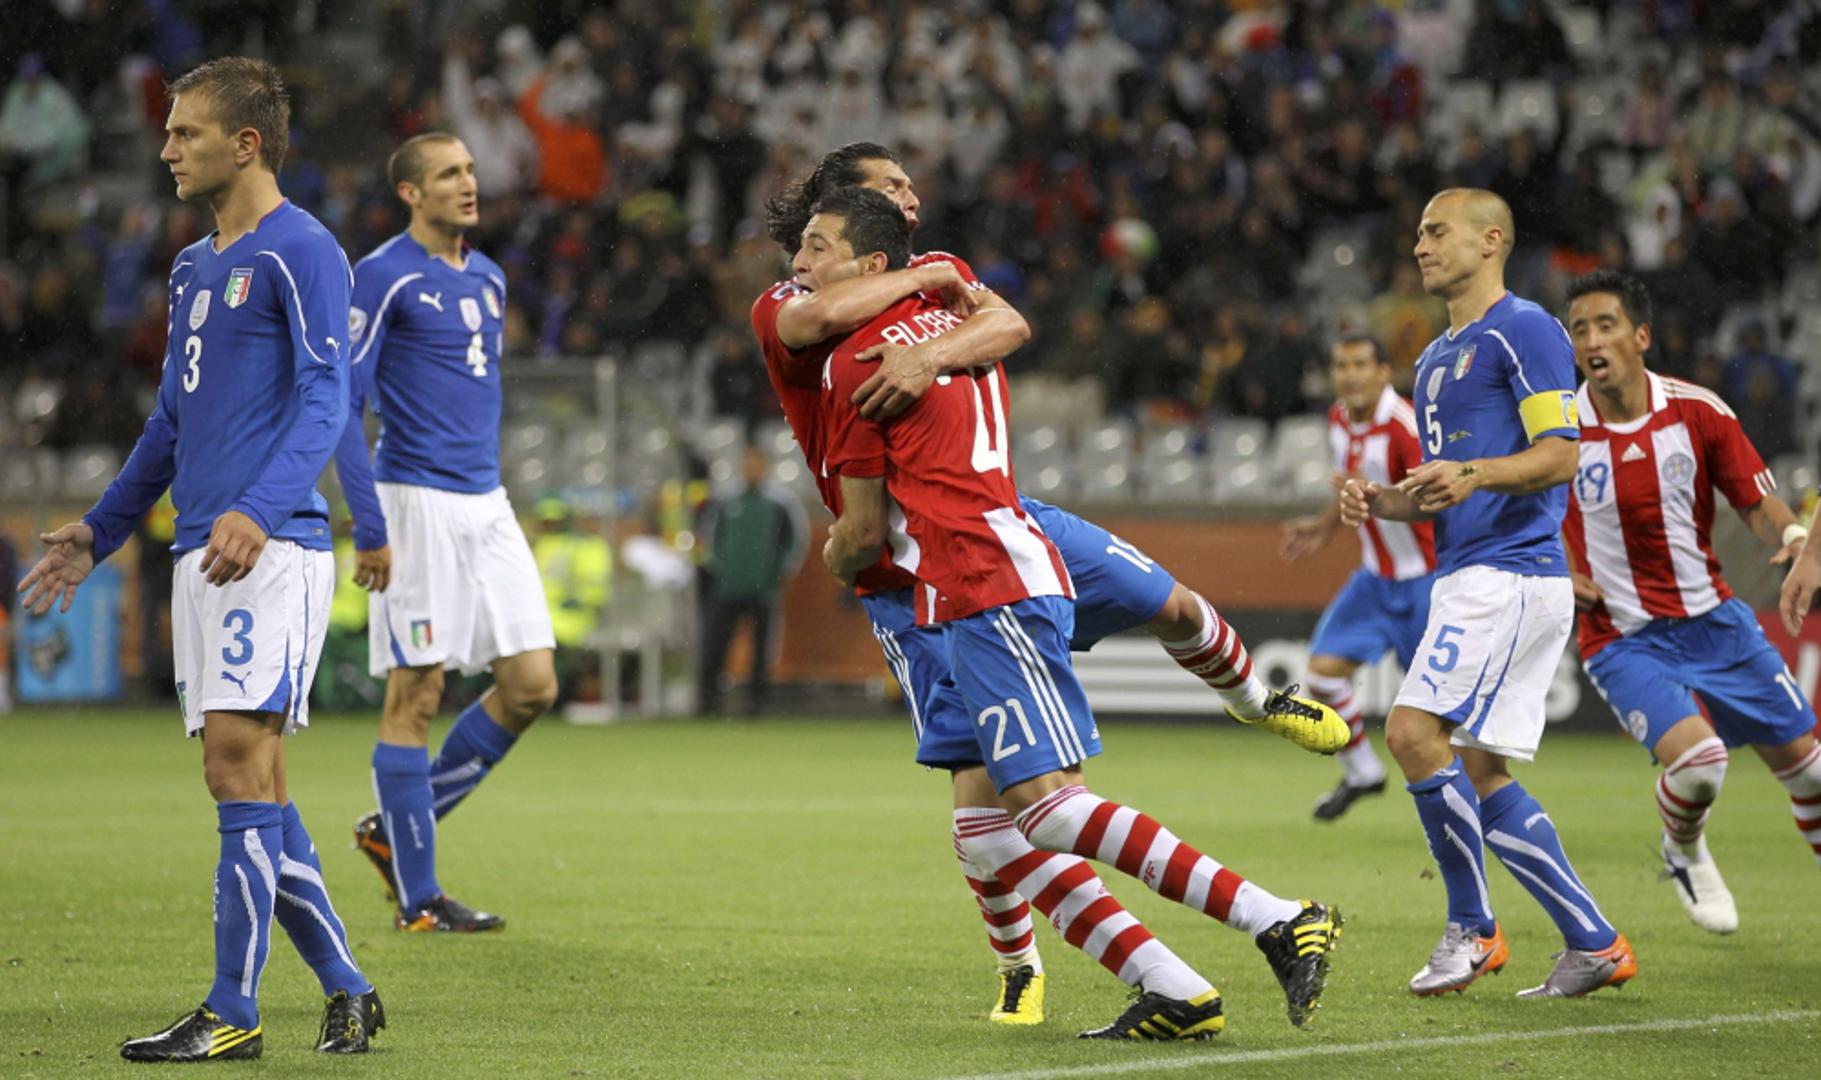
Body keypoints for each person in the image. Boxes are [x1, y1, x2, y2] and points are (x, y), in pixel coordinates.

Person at [756, 144, 1348, 1027]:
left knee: (1124, 683)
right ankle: (1148, 983)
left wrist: (924, 358)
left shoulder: (893, 326)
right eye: (890, 187)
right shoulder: (815, 302)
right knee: (993, 823)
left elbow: (1005, 331)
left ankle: (1265, 800)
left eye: (908, 186)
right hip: (930, 575)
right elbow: (838, 317)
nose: (911, 196)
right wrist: (931, 313)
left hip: (974, 553)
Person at [15, 57, 383, 1061]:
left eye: (185, 132)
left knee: (233, 765)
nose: (167, 148)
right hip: (203, 550)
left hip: (270, 546)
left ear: (245, 143)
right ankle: (348, 986)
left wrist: (260, 509)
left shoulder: (304, 249)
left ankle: (232, 1011)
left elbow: (327, 396)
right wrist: (100, 530)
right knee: (255, 781)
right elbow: (171, 423)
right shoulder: (190, 268)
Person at [1339, 188, 1635, 999]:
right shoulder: (1435, 359)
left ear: (1490, 240)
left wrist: (1471, 472)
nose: (1420, 247)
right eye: (1417, 234)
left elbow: (1560, 453)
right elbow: (1443, 490)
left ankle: (1471, 929)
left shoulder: (1525, 329)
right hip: (1470, 572)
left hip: (1509, 572)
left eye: (1437, 232)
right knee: (1478, 772)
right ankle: (1594, 943)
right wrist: (1383, 500)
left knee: (1410, 733)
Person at [335, 132, 559, 934]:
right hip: (413, 501)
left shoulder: (489, 276)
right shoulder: (381, 276)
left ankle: (395, 829)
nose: (468, 183)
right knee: (417, 693)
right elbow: (342, 404)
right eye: (448, 174)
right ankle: (419, 899)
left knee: (531, 685)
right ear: (410, 192)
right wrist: (369, 522)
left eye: (470, 169)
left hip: (485, 501)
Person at [1561, 270, 1821, 932]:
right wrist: (1556, 573)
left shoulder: (1697, 410)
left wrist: (1795, 539)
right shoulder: (1556, 432)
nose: (1592, 340)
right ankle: (1682, 848)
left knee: (1812, 775)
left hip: (1715, 621)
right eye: (1579, 330)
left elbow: (1755, 500)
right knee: (1702, 765)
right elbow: (1521, 519)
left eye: (1606, 325)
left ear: (1641, 336)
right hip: (1621, 636)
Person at [1281, 335, 1436, 821]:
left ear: (1384, 371)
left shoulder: (1405, 426)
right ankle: (1364, 772)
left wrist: (1374, 493)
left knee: (1439, 717)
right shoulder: (1339, 419)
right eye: (1341, 365)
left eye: (1360, 364)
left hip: (1428, 582)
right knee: (1321, 676)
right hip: (1374, 580)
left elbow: (1433, 499)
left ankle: (1473, 808)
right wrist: (1324, 527)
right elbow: (1350, 488)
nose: (1349, 375)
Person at [695, 447, 807, 715]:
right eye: (748, 463)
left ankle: (757, 703)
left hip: (764, 588)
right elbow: (709, 537)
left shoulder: (781, 502)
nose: (752, 469)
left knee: (762, 648)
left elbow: (795, 540)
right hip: (727, 587)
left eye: (756, 463)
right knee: (715, 644)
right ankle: (708, 702)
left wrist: (780, 572)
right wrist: (720, 568)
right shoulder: (726, 499)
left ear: (764, 466)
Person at [532, 496, 613, 704]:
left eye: (554, 520)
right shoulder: (541, 544)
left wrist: (577, 599)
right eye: (545, 520)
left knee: (549, 647)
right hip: (542, 613)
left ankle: (557, 697)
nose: (549, 525)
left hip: (573, 616)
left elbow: (596, 588)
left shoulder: (587, 546)